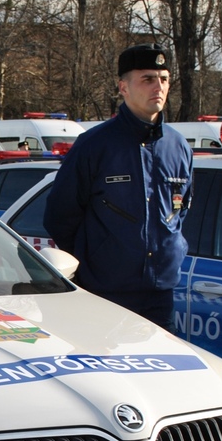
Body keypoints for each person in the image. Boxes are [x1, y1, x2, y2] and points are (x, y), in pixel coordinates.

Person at [43, 43, 192, 332]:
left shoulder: (178, 147)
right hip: (106, 294)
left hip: (159, 295)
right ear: (123, 87)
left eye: (164, 79)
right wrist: (96, 262)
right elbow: (60, 215)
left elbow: (181, 211)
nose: (158, 87)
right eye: (147, 79)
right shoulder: (95, 145)